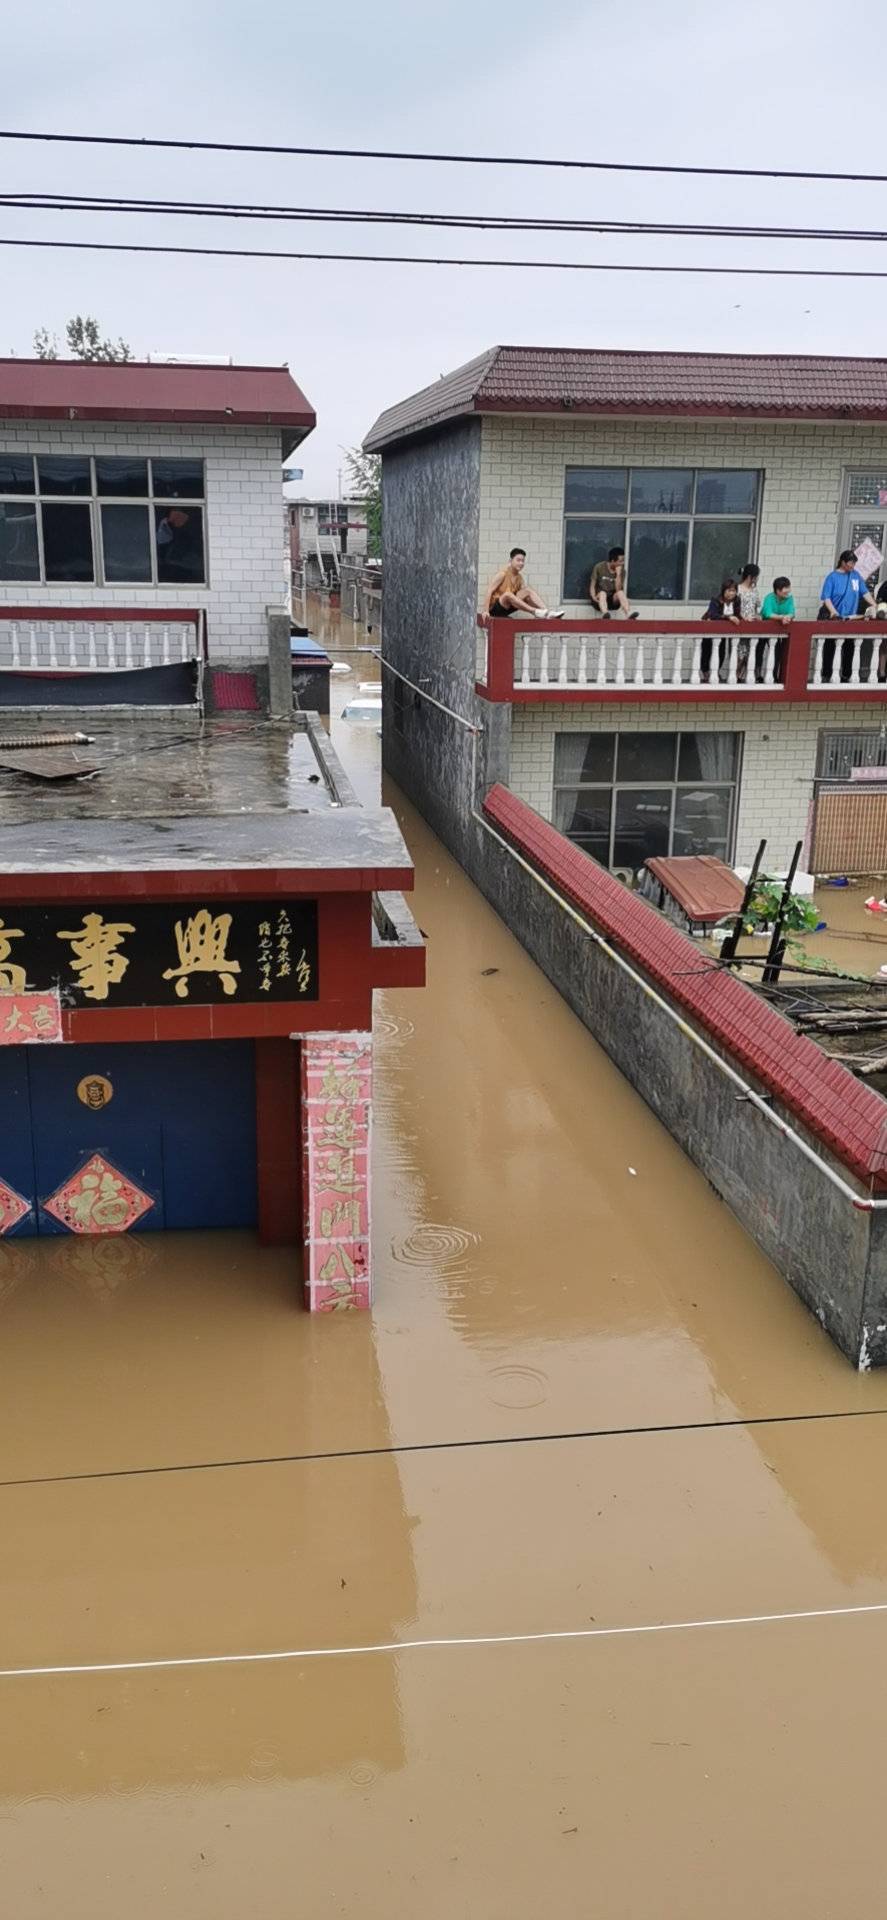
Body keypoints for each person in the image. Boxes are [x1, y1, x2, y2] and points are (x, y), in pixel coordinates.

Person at [818, 549, 876, 683]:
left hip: (850, 618)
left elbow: (865, 593)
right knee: (830, 647)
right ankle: (827, 674)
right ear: (842, 562)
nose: (852, 566)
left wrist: (875, 605)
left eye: (854, 563)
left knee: (849, 647)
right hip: (835, 617)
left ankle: (846, 674)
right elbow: (826, 598)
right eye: (850, 563)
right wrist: (833, 612)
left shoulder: (855, 576)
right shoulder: (832, 577)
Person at [484, 547, 562, 619]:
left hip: (508, 607)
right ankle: (534, 611)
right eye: (518, 560)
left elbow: (526, 598)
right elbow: (489, 591)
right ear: (510, 561)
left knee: (527, 591)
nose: (521, 563)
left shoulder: (519, 578)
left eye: (523, 561)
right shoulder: (503, 574)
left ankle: (547, 612)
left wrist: (540, 609)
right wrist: (486, 611)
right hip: (496, 609)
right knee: (507, 594)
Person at [701, 577, 740, 682]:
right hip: (710, 628)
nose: (731, 593)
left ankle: (716, 671)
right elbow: (713, 614)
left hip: (723, 631)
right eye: (729, 590)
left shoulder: (736, 601)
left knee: (721, 652)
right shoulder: (716, 600)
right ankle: (705, 672)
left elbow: (737, 614)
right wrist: (728, 617)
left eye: (734, 591)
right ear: (723, 591)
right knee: (707, 651)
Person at [758, 574, 794, 682]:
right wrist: (781, 617)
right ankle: (757, 675)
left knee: (777, 653)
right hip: (764, 628)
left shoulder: (789, 598)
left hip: (778, 630)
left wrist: (788, 617)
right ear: (778, 591)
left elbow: (792, 612)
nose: (788, 591)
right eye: (785, 589)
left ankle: (774, 675)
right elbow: (768, 614)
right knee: (759, 651)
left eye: (788, 587)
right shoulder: (769, 598)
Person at [589, 547, 638, 618]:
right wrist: (593, 597)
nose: (622, 563)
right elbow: (592, 585)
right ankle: (605, 614)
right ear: (612, 561)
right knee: (603, 593)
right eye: (620, 561)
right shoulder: (599, 567)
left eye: (623, 561)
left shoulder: (622, 571)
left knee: (620, 593)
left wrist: (618, 575)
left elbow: (618, 589)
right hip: (599, 600)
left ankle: (628, 613)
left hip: (612, 601)